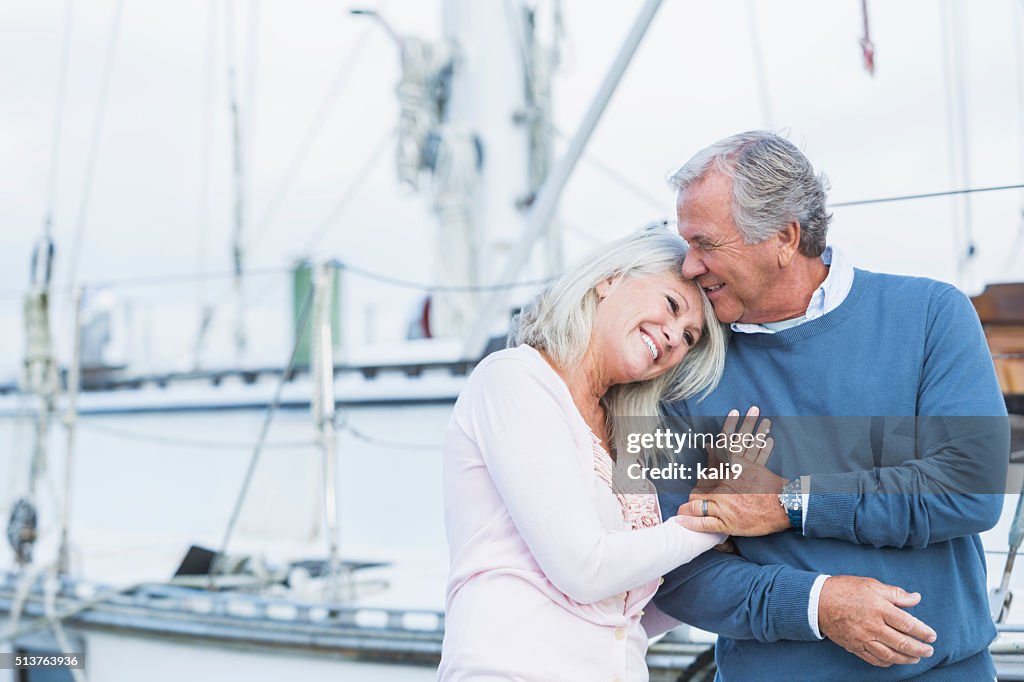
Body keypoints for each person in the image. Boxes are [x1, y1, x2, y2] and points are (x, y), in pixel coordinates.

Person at [650, 131, 1009, 680]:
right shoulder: (678, 364)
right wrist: (818, 604)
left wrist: (792, 503)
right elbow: (675, 572)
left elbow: (971, 488)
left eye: (705, 244)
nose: (690, 266)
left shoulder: (933, 314)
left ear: (784, 238)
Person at [438, 225, 732, 681]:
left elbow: (621, 611)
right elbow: (585, 570)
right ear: (609, 279)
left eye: (690, 338)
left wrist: (733, 551)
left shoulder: (627, 434)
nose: (675, 337)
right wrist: (716, 521)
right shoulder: (516, 379)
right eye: (671, 306)